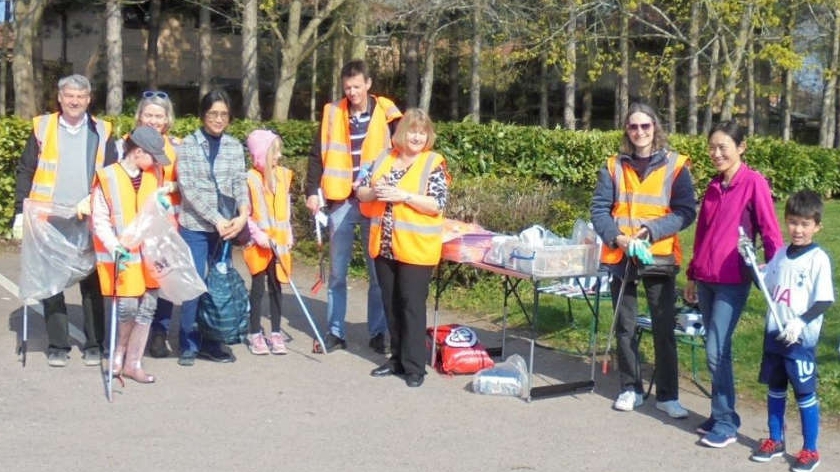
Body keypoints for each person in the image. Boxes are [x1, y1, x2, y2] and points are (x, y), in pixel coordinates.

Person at [590, 102, 697, 417]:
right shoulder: (612, 166)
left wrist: (651, 231)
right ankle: (630, 388)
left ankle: (667, 395)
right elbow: (599, 210)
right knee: (625, 327)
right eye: (633, 127)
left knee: (663, 329)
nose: (639, 132)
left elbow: (686, 211)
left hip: (659, 257)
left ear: (655, 128)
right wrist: (618, 238)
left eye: (645, 126)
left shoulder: (676, 166)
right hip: (622, 257)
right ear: (627, 130)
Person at [684, 120, 784, 448]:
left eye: (722, 147)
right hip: (706, 278)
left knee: (716, 349)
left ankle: (726, 423)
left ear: (740, 148)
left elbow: (770, 230)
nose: (715, 153)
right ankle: (721, 412)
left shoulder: (754, 183)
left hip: (732, 281)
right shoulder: (713, 186)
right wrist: (691, 274)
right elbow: (702, 235)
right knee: (716, 351)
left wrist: (777, 273)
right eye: (712, 147)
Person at [13, 74, 118, 367]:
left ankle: (95, 344)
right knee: (52, 284)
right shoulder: (42, 127)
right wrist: (21, 213)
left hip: (89, 216)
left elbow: (110, 175)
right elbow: (26, 169)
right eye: (69, 96)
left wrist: (103, 208)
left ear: (88, 99)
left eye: (81, 96)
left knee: (92, 284)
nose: (75, 101)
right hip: (49, 217)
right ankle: (58, 345)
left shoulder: (103, 131)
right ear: (60, 98)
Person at [304, 59, 402, 353]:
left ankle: (377, 332)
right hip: (340, 203)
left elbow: (406, 152)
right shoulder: (332, 113)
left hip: (374, 202)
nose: (352, 92)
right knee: (337, 273)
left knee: (378, 274)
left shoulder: (387, 112)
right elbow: (316, 153)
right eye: (347, 88)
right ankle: (334, 332)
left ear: (368, 84)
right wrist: (312, 190)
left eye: (357, 86)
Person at [356, 108, 450, 387]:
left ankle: (414, 366)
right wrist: (375, 192)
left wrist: (404, 196)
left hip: (416, 248)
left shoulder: (434, 162)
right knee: (391, 303)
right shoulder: (385, 157)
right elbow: (361, 190)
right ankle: (396, 358)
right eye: (412, 131)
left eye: (422, 132)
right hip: (384, 245)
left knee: (411, 305)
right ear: (402, 133)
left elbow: (437, 203)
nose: (417, 137)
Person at [748, 190, 833, 472]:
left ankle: (811, 449)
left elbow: (824, 299)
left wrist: (801, 322)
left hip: (799, 340)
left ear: (817, 226)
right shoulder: (782, 254)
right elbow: (767, 285)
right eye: (793, 222)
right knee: (775, 389)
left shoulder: (818, 259)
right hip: (775, 336)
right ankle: (775, 439)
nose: (798, 229)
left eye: (805, 224)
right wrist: (750, 263)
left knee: (804, 393)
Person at [91, 126, 172, 383]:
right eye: (153, 156)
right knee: (126, 308)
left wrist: (162, 204)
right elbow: (99, 218)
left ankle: (134, 363)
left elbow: (158, 213)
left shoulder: (153, 176)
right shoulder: (107, 177)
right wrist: (114, 246)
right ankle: (118, 355)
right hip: (123, 255)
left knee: (147, 307)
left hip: (150, 255)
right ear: (138, 152)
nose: (156, 163)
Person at [174, 89, 249, 366]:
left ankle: (213, 341)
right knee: (194, 283)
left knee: (218, 284)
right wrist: (215, 218)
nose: (218, 119)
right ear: (203, 115)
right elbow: (189, 188)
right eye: (213, 113)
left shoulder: (233, 146)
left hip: (227, 227)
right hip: (196, 225)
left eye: (223, 114)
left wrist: (243, 215)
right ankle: (189, 341)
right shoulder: (189, 145)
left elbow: (240, 182)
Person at [123, 90, 181, 359]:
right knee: (133, 279)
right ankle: (128, 333)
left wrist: (173, 185)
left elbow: (186, 184)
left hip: (164, 223)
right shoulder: (125, 143)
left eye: (159, 115)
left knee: (160, 277)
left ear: (167, 119)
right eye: (149, 114)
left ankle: (159, 332)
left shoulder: (175, 147)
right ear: (140, 116)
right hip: (134, 222)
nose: (154, 120)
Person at [242, 129, 293, 356]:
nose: (279, 156)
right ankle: (254, 333)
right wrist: (257, 234)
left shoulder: (282, 176)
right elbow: (246, 212)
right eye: (274, 152)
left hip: (279, 242)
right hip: (260, 244)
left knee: (276, 286)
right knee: (257, 288)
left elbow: (285, 209)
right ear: (261, 155)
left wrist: (289, 232)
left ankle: (275, 332)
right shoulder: (250, 178)